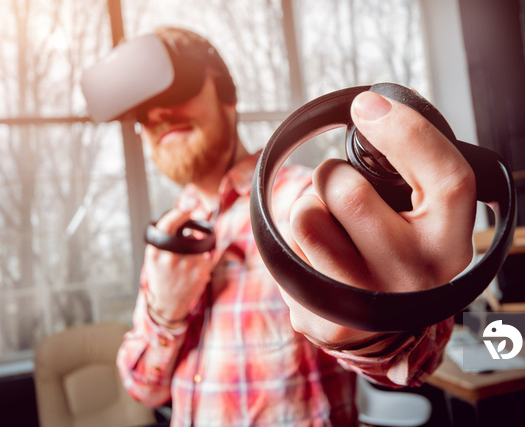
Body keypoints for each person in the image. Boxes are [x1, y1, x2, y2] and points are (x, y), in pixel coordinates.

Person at [107, 27, 476, 426]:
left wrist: (381, 324)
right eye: (144, 111)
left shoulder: (308, 201)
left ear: (227, 95)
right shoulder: (168, 243)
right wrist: (165, 313)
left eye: (175, 91)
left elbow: (415, 360)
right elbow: (144, 388)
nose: (159, 114)